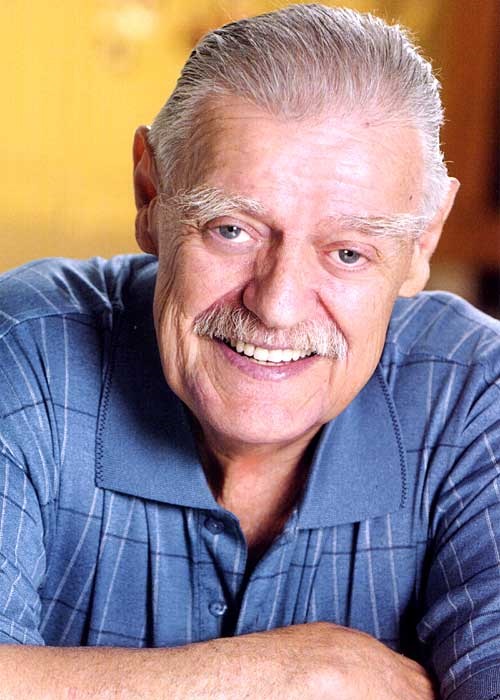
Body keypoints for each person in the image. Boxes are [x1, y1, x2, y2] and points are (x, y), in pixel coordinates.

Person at [0, 3, 499, 698]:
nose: (277, 306)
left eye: (348, 252)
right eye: (231, 230)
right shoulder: (24, 353)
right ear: (151, 195)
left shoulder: (473, 396)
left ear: (422, 243)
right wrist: (286, 674)